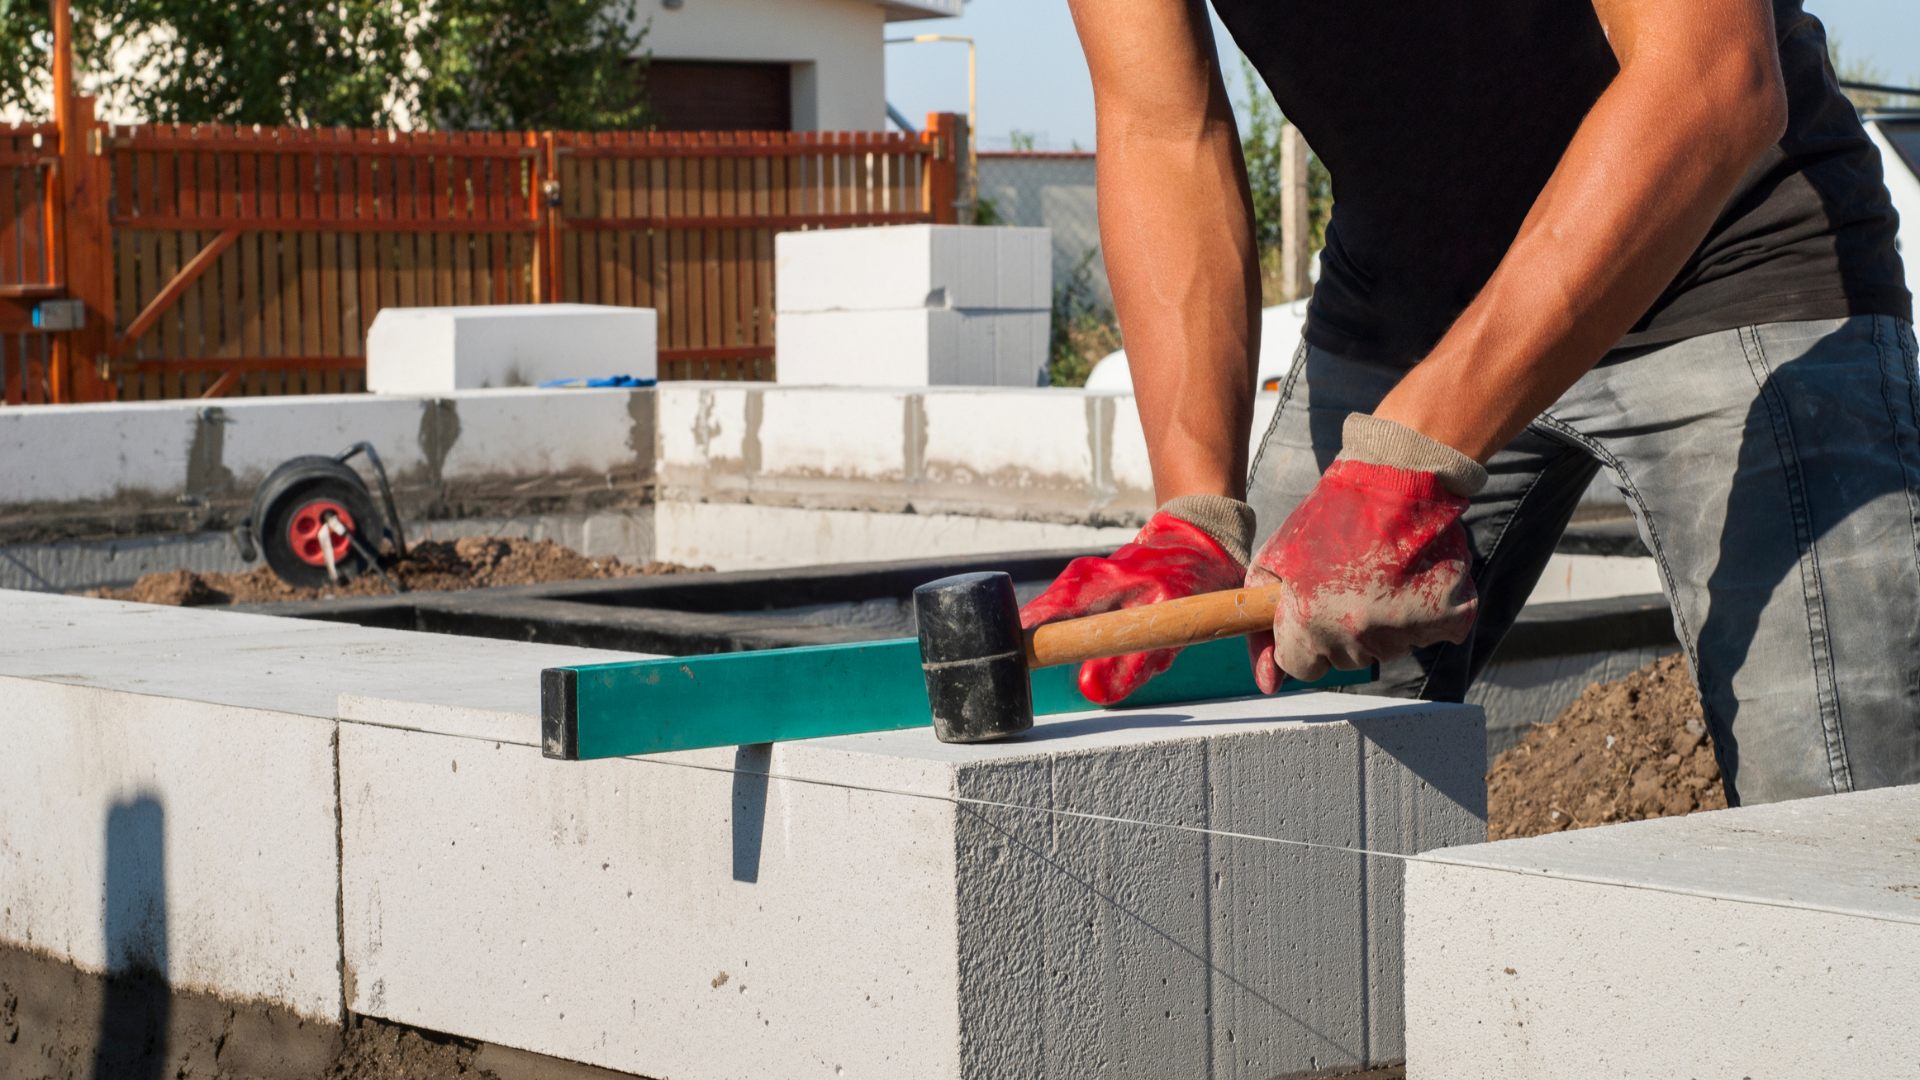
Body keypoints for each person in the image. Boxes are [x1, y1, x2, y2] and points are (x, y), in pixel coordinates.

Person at [1021, 0, 1917, 807]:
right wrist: (1195, 514)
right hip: (1406, 313)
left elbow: (1711, 77)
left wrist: (1409, 457)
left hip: (1731, 259)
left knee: (1834, 828)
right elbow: (1160, 127)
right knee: (1253, 783)